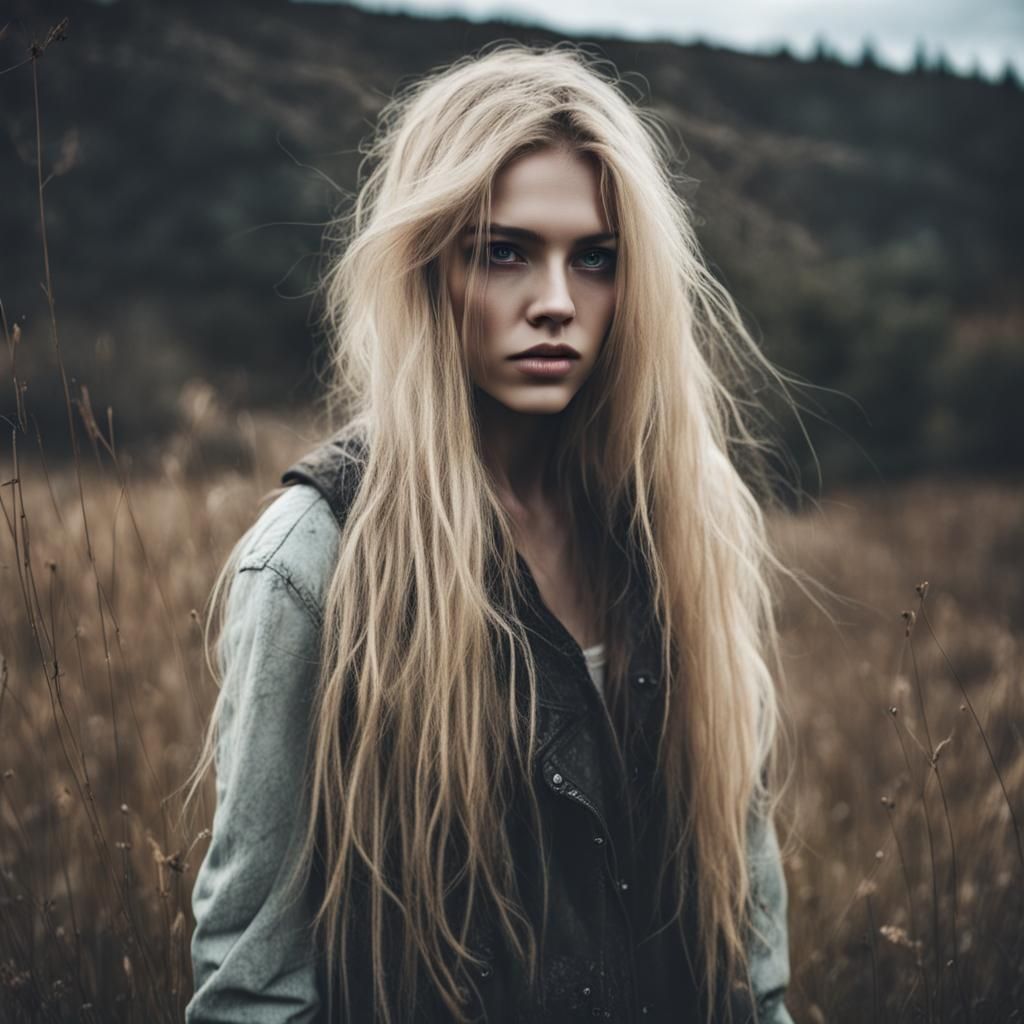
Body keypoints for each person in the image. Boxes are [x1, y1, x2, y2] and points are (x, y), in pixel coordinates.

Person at [185, 41, 798, 1024]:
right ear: (428, 266)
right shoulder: (315, 563)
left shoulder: (683, 531)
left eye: (593, 258)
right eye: (503, 250)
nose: (555, 302)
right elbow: (250, 993)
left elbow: (749, 959)